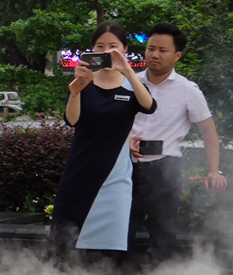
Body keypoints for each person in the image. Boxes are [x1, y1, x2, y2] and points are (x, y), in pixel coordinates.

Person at [50, 22, 156, 255]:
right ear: (92, 50)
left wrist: (127, 70)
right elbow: (72, 120)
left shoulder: (132, 84)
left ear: (125, 49)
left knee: (110, 251)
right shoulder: (83, 82)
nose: (106, 51)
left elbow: (149, 106)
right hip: (79, 174)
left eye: (113, 46)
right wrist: (77, 87)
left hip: (115, 178)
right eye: (100, 46)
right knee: (66, 246)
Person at [127, 22, 228, 259]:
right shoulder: (130, 83)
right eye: (151, 48)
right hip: (126, 167)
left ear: (177, 55)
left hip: (164, 169)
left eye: (163, 50)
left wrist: (214, 171)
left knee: (163, 238)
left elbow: (209, 132)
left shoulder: (188, 90)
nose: (155, 55)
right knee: (122, 235)